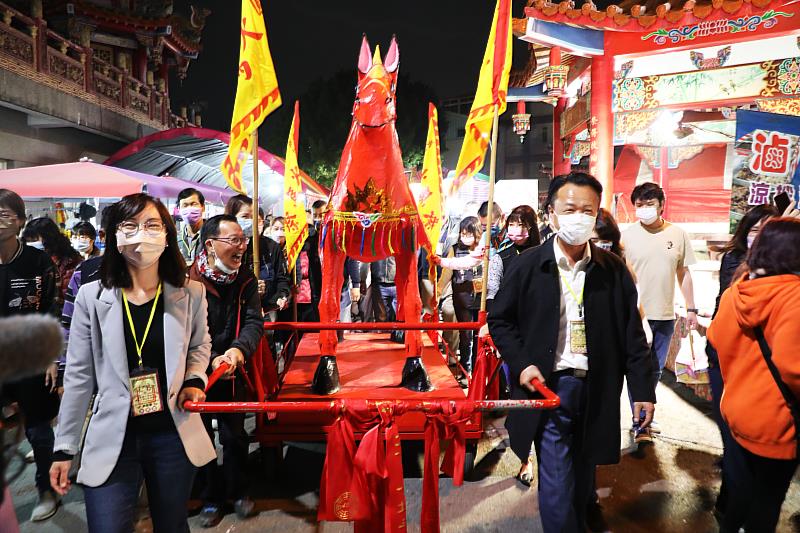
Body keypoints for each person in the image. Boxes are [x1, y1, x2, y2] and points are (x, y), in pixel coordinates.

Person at [489, 172, 655, 533]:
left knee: (584, 473)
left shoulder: (612, 271)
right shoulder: (526, 265)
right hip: (548, 389)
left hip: (598, 388)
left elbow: (633, 335)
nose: (579, 217)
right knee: (558, 481)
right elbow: (499, 320)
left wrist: (643, 391)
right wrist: (521, 365)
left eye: (588, 210)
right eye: (570, 208)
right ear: (551, 213)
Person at [50, 193, 216, 533]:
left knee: (172, 525)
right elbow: (80, 374)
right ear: (114, 235)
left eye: (152, 225)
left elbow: (200, 345)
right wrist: (64, 447)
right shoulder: (92, 297)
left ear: (167, 234)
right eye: (130, 225)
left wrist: (195, 380)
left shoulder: (190, 293)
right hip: (113, 434)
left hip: (172, 434)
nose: (142, 233)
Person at [708, 217, 800, 533]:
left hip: (736, 409)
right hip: (777, 420)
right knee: (767, 500)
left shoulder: (740, 289)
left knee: (741, 493)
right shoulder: (794, 296)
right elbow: (793, 367)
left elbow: (717, 339)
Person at [189, 215, 264, 527]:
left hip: (233, 372)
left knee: (235, 436)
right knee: (201, 438)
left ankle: (239, 491)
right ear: (210, 244)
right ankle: (211, 496)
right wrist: (212, 360)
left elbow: (253, 322)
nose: (241, 246)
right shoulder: (186, 281)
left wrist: (238, 350)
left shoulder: (245, 281)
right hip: (197, 375)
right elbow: (183, 331)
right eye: (233, 240)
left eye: (242, 240)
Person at [705, 203, 778, 521]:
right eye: (753, 230)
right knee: (731, 432)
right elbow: (728, 307)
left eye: (766, 231)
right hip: (727, 359)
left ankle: (738, 504)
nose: (758, 237)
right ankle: (731, 504)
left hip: (765, 370)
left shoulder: (787, 271)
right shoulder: (734, 261)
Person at [0, 190, 61, 522]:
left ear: (20, 220)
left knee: (38, 430)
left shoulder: (38, 263)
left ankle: (45, 488)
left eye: (5, 214)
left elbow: (51, 308)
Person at [621, 182, 697, 440]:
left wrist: (691, 309)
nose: (644, 210)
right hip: (634, 316)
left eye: (649, 204)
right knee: (638, 369)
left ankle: (643, 416)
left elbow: (683, 273)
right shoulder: (627, 236)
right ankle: (640, 422)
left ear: (661, 205)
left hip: (664, 316)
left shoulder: (677, 234)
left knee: (653, 370)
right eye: (639, 205)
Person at [225, 196, 290, 313]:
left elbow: (282, 280)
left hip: (265, 311)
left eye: (254, 217)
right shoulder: (223, 246)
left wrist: (281, 296)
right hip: (231, 311)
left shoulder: (271, 247)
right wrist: (249, 288)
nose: (251, 221)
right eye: (245, 217)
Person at [438, 216, 483, 377]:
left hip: (480, 299)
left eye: (468, 233)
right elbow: (447, 272)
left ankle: (479, 369)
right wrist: (438, 290)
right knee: (465, 335)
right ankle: (466, 370)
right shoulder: (455, 248)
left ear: (477, 233)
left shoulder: (483, 249)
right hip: (461, 297)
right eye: (463, 233)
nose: (465, 236)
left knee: (480, 336)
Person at [21, 217, 81, 315]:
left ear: (49, 239)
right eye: (28, 240)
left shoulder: (71, 264)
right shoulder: (26, 262)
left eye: (34, 239)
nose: (31, 243)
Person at [176, 188, 206, 266]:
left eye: (193, 204)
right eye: (185, 205)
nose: (189, 209)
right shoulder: (176, 239)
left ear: (203, 207)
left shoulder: (212, 235)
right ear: (179, 210)